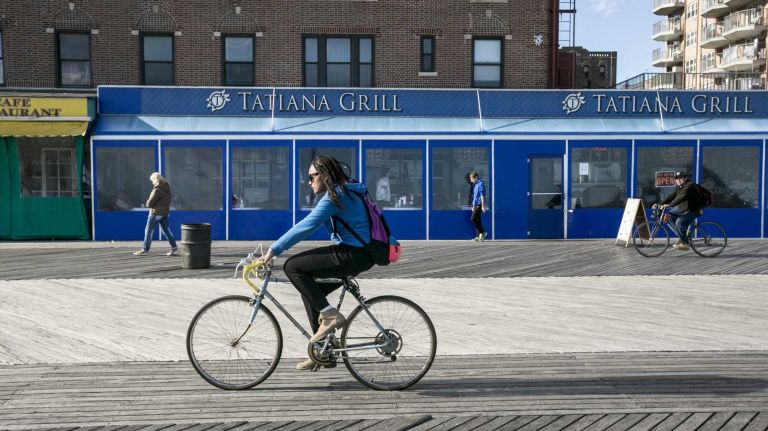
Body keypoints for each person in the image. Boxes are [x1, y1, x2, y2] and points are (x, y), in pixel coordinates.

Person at [257, 155, 375, 370]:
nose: (308, 182)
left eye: (312, 176)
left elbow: (306, 226)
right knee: (311, 291)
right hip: (360, 254)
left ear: (326, 175)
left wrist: (273, 251)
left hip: (353, 254)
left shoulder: (335, 196)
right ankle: (323, 351)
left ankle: (330, 317)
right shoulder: (345, 191)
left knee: (292, 266)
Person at [655, 171, 704, 251]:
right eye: (677, 179)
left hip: (694, 209)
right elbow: (671, 197)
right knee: (669, 215)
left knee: (679, 222)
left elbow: (681, 197)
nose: (678, 180)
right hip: (684, 207)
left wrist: (669, 205)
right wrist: (659, 204)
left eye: (680, 178)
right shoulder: (679, 187)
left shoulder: (689, 185)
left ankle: (685, 244)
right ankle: (682, 235)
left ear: (685, 178)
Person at [133, 172, 178, 256]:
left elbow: (149, 204)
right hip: (165, 213)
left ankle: (145, 249)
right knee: (167, 231)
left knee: (148, 231)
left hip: (155, 213)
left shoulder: (157, 190)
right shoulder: (167, 189)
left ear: (155, 180)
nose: (152, 182)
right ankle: (174, 248)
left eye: (152, 180)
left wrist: (147, 203)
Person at [469, 172, 488, 241]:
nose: (471, 180)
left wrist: (483, 206)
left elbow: (482, 195)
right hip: (475, 204)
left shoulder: (480, 184)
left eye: (472, 179)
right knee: (478, 220)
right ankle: (478, 236)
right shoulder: (475, 184)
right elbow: (475, 196)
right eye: (470, 179)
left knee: (473, 219)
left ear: (476, 177)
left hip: (479, 204)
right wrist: (473, 206)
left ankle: (482, 232)